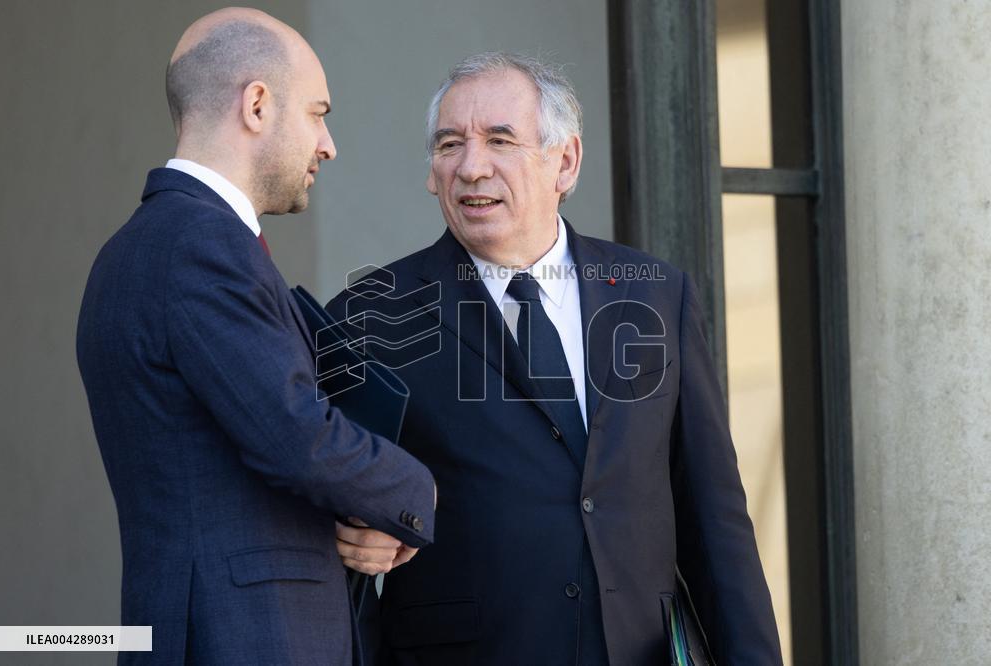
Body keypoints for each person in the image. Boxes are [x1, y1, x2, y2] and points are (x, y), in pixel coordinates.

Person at [328, 53, 783, 665]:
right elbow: (314, 494)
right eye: (449, 145)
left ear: (564, 162)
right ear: (432, 171)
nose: (471, 167)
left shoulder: (655, 293)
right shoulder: (370, 313)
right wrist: (346, 528)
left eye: (499, 140)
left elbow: (714, 514)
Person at [76, 8, 435, 664]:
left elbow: (221, 462)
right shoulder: (202, 246)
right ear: (258, 105)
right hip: (245, 638)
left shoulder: (135, 250)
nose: (328, 144)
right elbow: (296, 434)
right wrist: (415, 492)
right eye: (318, 113)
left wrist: (350, 523)